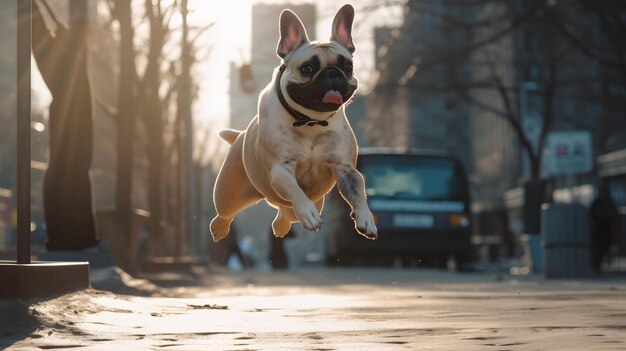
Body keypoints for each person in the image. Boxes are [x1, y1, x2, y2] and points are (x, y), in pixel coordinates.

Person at [589, 182, 617, 275]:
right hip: (598, 230)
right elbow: (591, 214)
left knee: (603, 250)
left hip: (606, 231)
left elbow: (614, 215)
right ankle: (595, 268)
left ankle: (598, 268)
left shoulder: (609, 202)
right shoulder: (597, 202)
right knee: (597, 251)